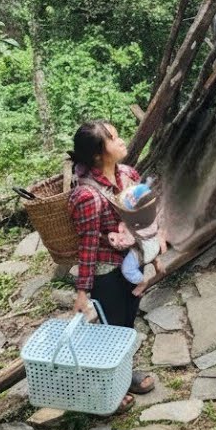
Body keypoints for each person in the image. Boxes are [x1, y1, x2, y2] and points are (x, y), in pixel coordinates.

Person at [67, 120, 159, 410]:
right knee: (112, 330)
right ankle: (108, 388)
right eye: (113, 139)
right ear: (97, 155)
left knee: (129, 322)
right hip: (106, 271)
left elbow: (144, 219)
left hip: (132, 260)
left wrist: (155, 256)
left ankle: (125, 375)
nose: (122, 142)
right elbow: (88, 246)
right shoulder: (87, 196)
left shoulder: (129, 175)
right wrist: (83, 293)